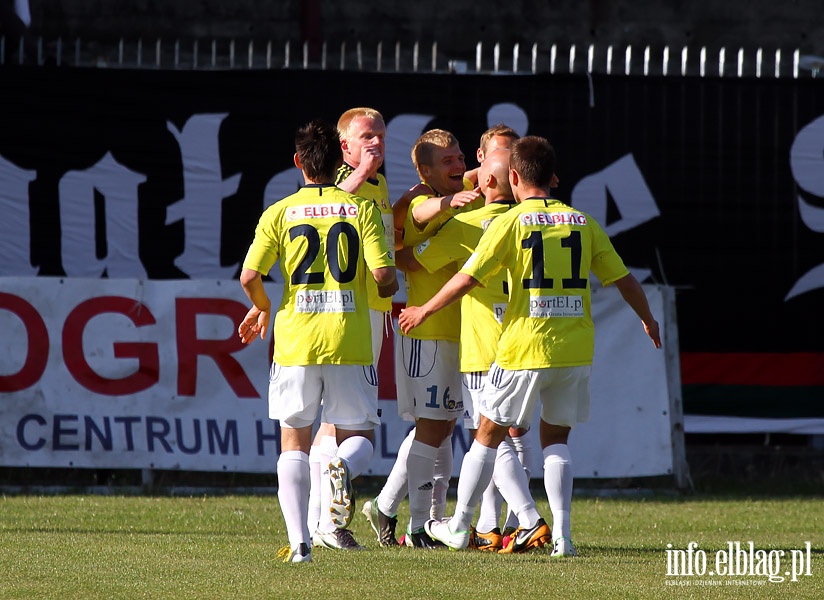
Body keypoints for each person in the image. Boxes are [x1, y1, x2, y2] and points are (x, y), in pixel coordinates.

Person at [399, 135, 661, 555]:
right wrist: (647, 319)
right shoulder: (582, 221)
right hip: (574, 351)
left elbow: (468, 278)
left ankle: (459, 525)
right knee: (556, 439)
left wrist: (425, 309)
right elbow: (624, 280)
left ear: (515, 177)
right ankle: (563, 535)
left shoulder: (508, 222)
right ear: (553, 177)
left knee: (487, 434)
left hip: (524, 347)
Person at [238, 119, 398, 563]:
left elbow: (249, 276)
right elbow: (384, 276)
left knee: (294, 442)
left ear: (298, 162)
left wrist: (264, 306)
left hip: (295, 339)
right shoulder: (360, 209)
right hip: (349, 337)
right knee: (359, 435)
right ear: (338, 163)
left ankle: (301, 545)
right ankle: (341, 468)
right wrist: (384, 289)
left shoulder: (280, 211)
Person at [396, 147, 548, 553]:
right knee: (510, 436)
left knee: (486, 437)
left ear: (488, 182)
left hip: (482, 345)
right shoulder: (531, 223)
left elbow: (410, 261)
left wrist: (405, 237)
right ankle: (498, 524)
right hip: (526, 342)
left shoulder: (465, 225)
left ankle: (525, 519)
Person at [363, 129, 481, 549]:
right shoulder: (422, 197)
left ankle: (391, 506)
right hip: (426, 333)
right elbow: (417, 210)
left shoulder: (464, 186)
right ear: (425, 170)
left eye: (460, 156)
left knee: (442, 427)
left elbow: (487, 172)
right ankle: (418, 526)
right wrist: (445, 202)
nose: (458, 165)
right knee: (432, 429)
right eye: (446, 160)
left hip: (458, 330)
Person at [306, 107, 396, 551]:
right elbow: (331, 205)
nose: (376, 141)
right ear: (345, 145)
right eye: (365, 136)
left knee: (332, 425)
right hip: (350, 313)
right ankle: (328, 515)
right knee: (360, 434)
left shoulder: (377, 181)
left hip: (370, 309)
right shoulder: (344, 177)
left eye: (380, 133)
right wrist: (361, 170)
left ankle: (319, 525)